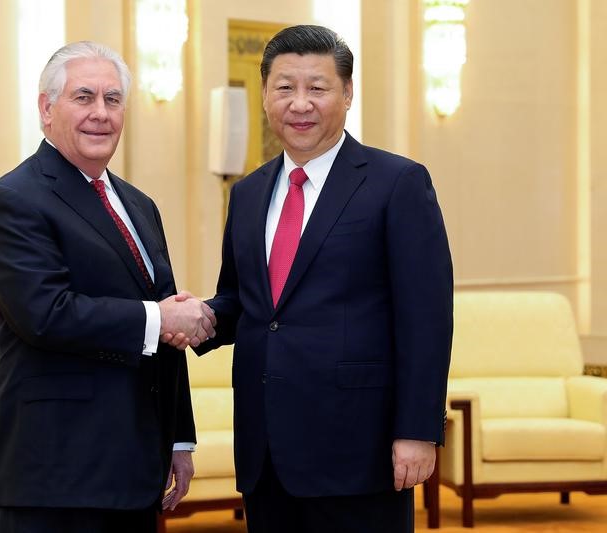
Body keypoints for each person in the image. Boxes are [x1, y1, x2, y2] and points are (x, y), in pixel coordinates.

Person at [184, 24, 453, 532]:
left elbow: (427, 318)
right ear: (265, 94)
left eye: (318, 87)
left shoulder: (398, 183)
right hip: (266, 449)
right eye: (285, 88)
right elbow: (245, 302)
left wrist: (418, 430)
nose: (300, 103)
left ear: (347, 93)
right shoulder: (248, 194)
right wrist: (196, 317)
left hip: (360, 448)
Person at [0, 41, 216, 533]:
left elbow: (165, 325)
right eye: (83, 97)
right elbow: (46, 314)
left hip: (135, 469)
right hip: (56, 474)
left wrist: (178, 439)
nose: (100, 114)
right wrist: (159, 318)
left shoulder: (139, 205)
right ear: (46, 109)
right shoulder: (13, 200)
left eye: (112, 100)